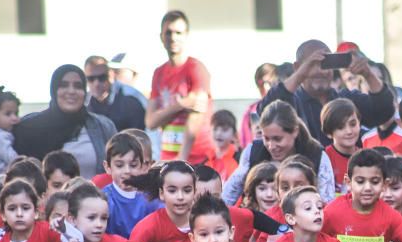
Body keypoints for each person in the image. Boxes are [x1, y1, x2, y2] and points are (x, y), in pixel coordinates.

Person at [258, 39, 395, 147]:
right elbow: (265, 111)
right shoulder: (290, 103)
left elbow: (384, 111)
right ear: (298, 67)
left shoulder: (345, 99)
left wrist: (368, 74)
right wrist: (300, 74)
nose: (321, 71)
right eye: (313, 64)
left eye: (325, 64)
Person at [13, 65, 116, 179]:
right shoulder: (29, 127)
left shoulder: (103, 126)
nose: (71, 91)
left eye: (78, 86)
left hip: (95, 195)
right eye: (64, 85)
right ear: (54, 89)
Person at [223, 100, 334, 203]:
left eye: (277, 139)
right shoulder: (252, 152)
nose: (271, 146)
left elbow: (326, 201)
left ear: (294, 132)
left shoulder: (317, 156)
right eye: (266, 138)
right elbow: (228, 196)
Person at [146, 10, 215, 164]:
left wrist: (182, 157)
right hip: (168, 157)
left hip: (197, 157)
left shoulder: (196, 68)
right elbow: (150, 121)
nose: (173, 38)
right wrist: (181, 105)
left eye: (178, 32)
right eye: (169, 33)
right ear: (161, 37)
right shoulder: (159, 73)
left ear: (186, 35)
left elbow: (197, 111)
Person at [84, 55, 147, 132]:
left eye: (102, 77)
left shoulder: (131, 98)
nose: (96, 83)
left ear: (111, 75)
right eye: (91, 79)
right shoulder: (84, 102)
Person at [241, 63, 278, 146]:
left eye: (269, 83)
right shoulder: (250, 111)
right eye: (261, 85)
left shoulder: (290, 106)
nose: (266, 88)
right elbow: (245, 142)